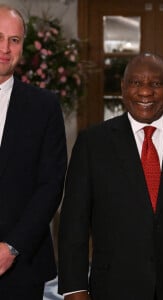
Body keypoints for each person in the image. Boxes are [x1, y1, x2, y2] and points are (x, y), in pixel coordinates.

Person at [58, 52, 163, 300]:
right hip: (113, 289)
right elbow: (73, 226)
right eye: (136, 83)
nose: (145, 92)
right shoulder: (93, 144)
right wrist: (75, 291)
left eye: (156, 84)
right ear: (122, 87)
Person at [0, 4, 67, 300]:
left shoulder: (44, 107)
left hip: (22, 262)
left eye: (14, 40)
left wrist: (12, 246)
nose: (5, 48)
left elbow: (51, 185)